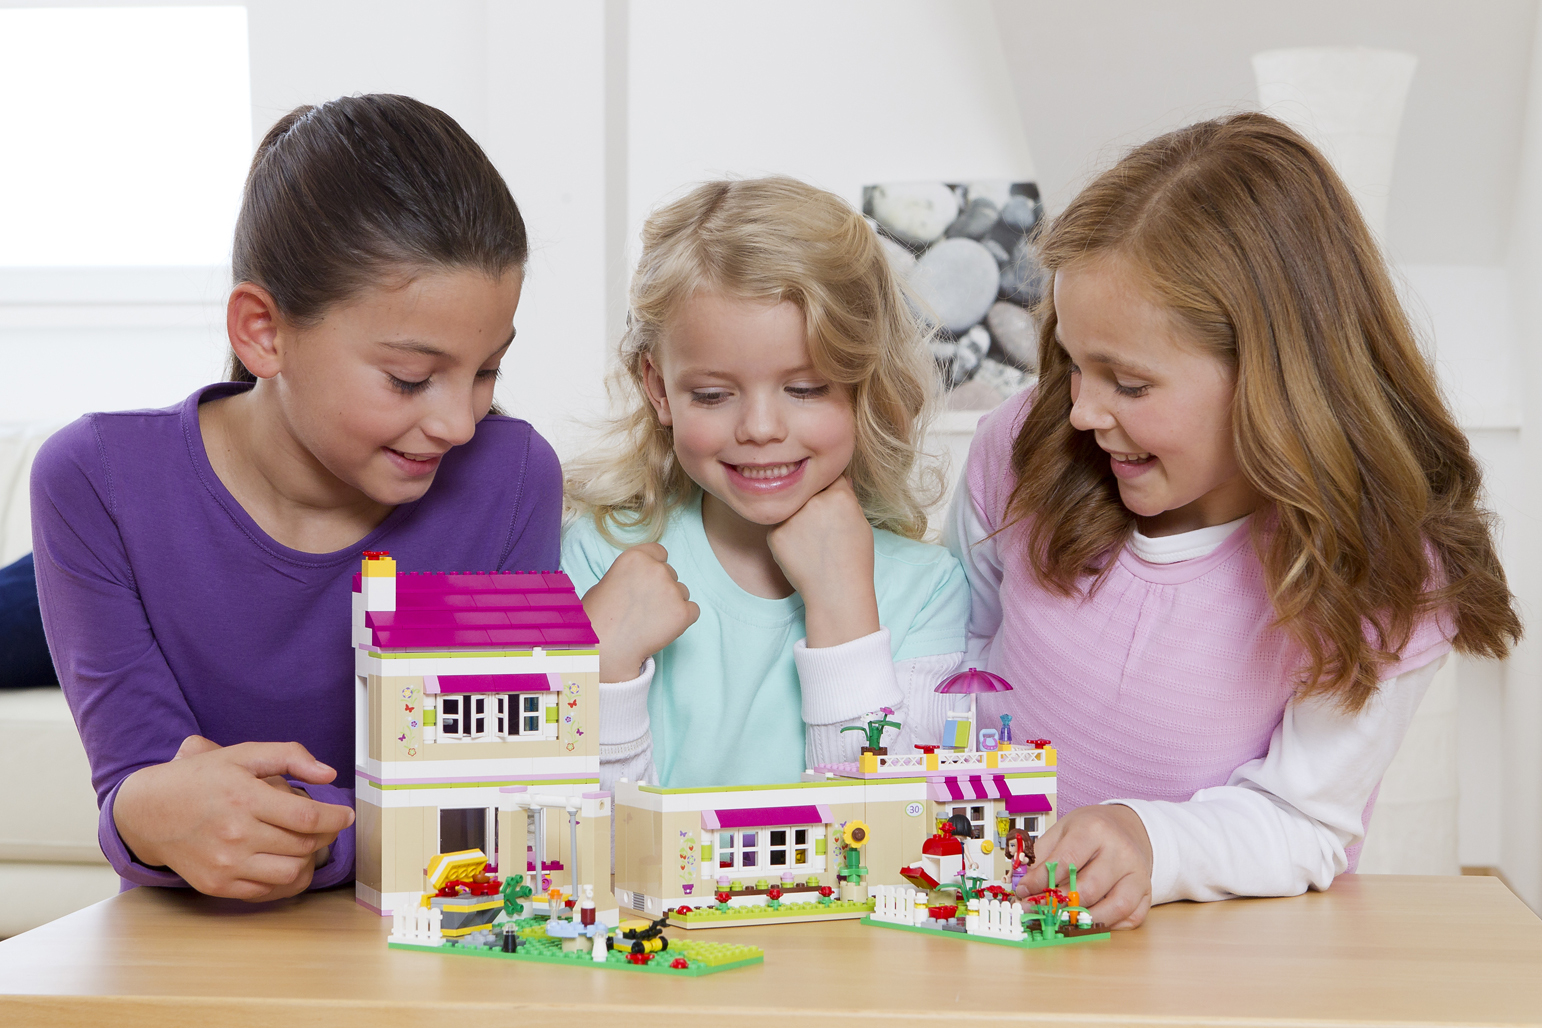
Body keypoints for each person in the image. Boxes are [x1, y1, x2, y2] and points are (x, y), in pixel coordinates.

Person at [950, 112, 1522, 930]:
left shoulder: (1375, 572)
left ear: (1273, 379)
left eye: (1129, 384)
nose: (1081, 411)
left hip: (1211, 959)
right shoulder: (1023, 447)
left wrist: (1150, 841)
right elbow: (950, 649)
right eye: (1074, 364)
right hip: (985, 924)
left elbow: (1303, 820)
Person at [31, 95, 561, 901]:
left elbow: (490, 800)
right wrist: (149, 811)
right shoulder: (92, 479)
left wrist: (301, 835)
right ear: (263, 331)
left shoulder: (511, 479)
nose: (460, 423)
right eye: (410, 379)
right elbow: (147, 792)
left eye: (487, 370)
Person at [562, 177, 969, 789]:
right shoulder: (598, 557)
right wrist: (606, 674)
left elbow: (897, 830)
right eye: (712, 394)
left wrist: (842, 611)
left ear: (866, 384)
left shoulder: (926, 591)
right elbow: (568, 833)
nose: (759, 428)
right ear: (658, 388)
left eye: (805, 389)